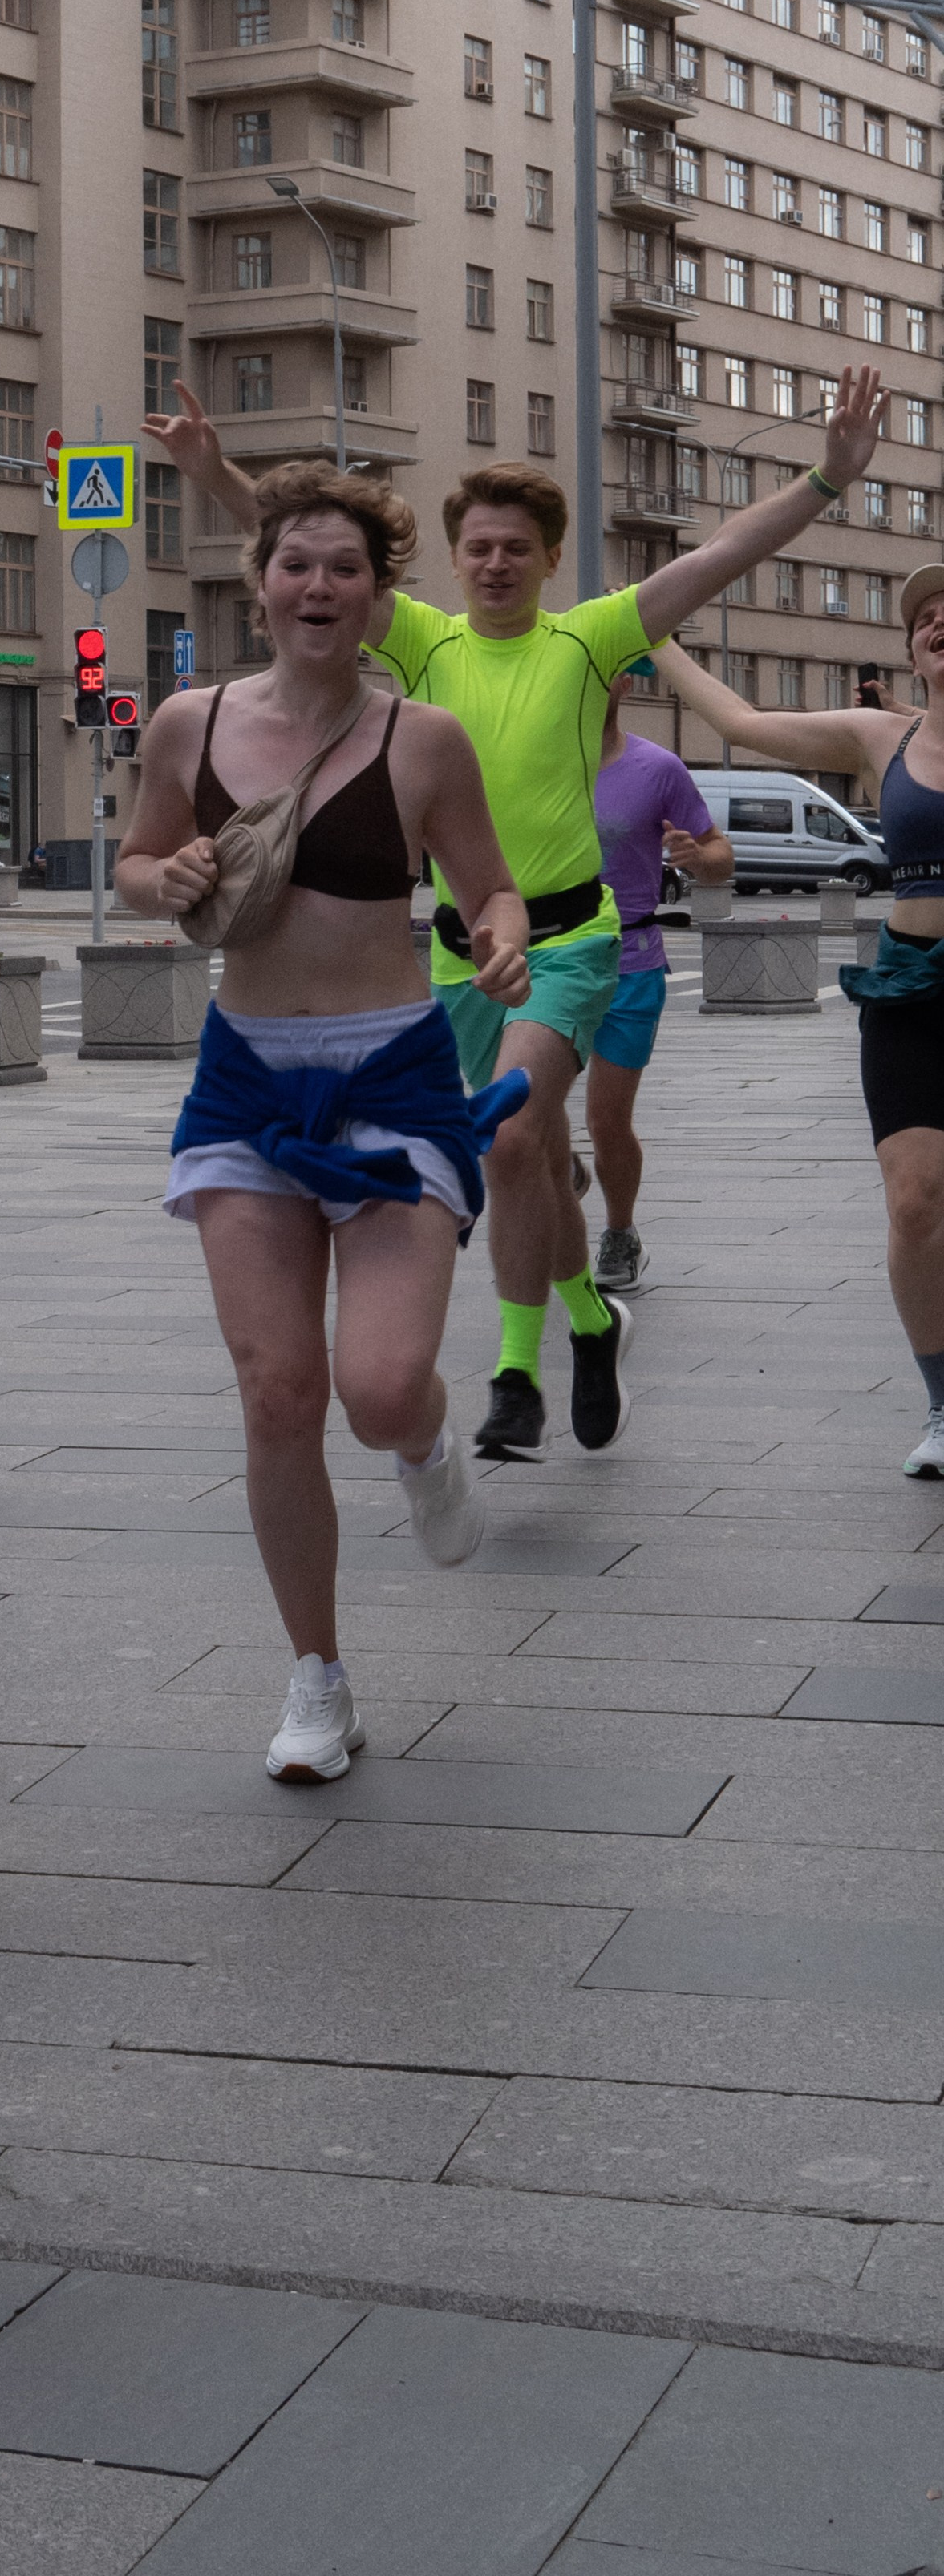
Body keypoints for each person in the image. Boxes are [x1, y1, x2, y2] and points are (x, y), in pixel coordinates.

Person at [145, 368, 889, 1464]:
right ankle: (591, 1318)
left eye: (516, 548)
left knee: (508, 1138)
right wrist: (215, 475)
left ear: (550, 558)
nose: (496, 564)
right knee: (530, 1160)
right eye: (478, 548)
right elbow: (313, 561)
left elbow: (719, 557)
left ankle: (510, 1373)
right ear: (455, 561)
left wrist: (827, 475)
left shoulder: (590, 640)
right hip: (456, 960)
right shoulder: (424, 647)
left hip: (574, 940)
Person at [115, 463, 531, 1784]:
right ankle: (318, 1679)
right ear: (261, 581)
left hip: (392, 1081)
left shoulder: (425, 741)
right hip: (244, 1080)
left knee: (376, 1386)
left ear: (376, 594)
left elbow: (491, 891)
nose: (316, 586)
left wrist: (505, 945)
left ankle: (424, 1443)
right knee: (277, 1391)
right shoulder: (190, 722)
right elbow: (134, 862)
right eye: (294, 562)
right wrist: (161, 873)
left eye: (343, 568)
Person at [655, 588, 944, 1478]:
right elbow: (741, 721)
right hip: (913, 985)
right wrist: (649, 636)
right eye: (926, 616)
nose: (941, 621)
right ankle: (943, 1404)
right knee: (915, 1201)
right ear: (912, 651)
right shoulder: (879, 740)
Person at [588, 679, 734, 1291]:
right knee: (523, 1114)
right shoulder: (523, 758)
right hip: (541, 955)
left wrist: (695, 858)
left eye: (603, 670)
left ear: (622, 682)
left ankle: (620, 1231)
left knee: (605, 1121)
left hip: (630, 961)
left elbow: (721, 855)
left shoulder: (657, 767)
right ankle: (552, 1166)